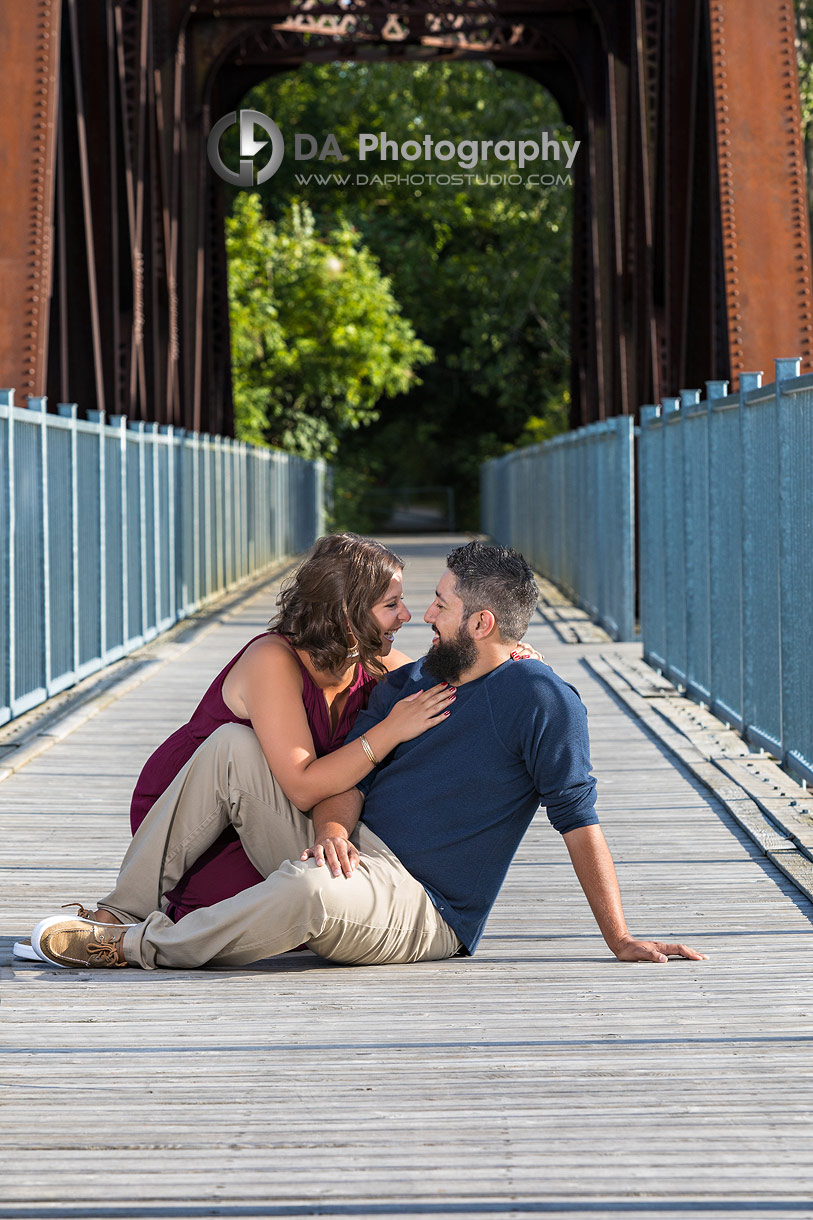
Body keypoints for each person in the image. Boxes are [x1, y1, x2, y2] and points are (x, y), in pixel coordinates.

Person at [29, 541, 707, 970]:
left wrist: (617, 937)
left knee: (307, 890)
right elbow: (352, 776)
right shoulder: (415, 679)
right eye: (413, 602)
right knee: (232, 745)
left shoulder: (540, 699)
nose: (422, 616)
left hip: (421, 904)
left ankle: (133, 949)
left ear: (482, 624)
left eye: (438, 605)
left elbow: (577, 818)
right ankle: (121, 908)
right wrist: (329, 832)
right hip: (347, 849)